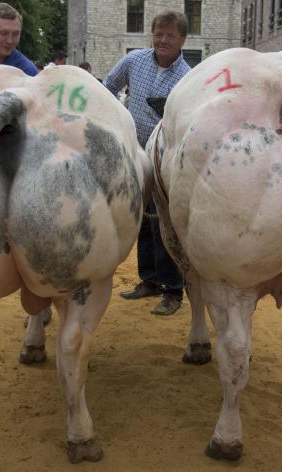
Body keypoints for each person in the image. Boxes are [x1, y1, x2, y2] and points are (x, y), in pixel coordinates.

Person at [104, 10, 191, 316]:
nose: (163, 40)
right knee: (141, 218)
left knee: (163, 222)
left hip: (165, 159)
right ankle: (149, 280)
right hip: (134, 152)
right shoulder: (133, 61)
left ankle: (173, 289)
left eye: (170, 35)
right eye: (158, 33)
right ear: (151, 35)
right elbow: (107, 87)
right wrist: (117, 118)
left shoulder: (188, 77)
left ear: (182, 40)